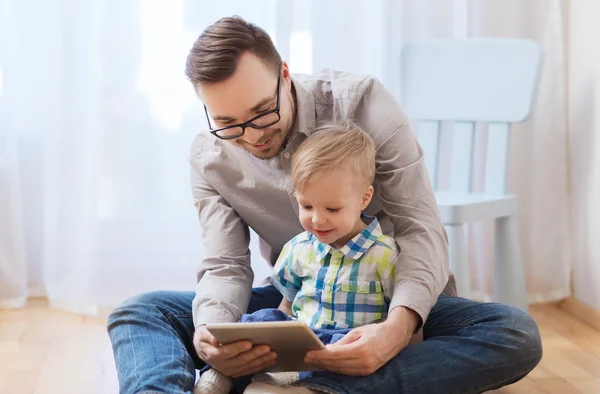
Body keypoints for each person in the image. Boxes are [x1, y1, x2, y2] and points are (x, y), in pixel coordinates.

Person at [107, 16, 543, 394]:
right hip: (299, 301)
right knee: (142, 312)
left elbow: (418, 228)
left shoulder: (363, 104)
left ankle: (306, 385)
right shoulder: (209, 157)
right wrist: (209, 333)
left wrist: (397, 328)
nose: (252, 135)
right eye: (228, 124)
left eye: (262, 113)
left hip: (388, 299)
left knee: (514, 333)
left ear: (284, 74)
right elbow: (226, 266)